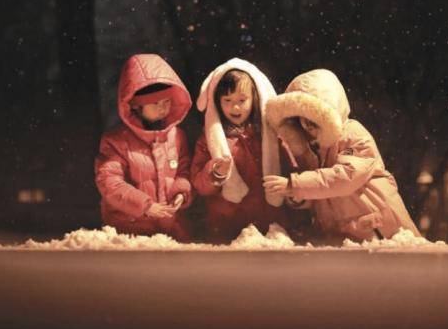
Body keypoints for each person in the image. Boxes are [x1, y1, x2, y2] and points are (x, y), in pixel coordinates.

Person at [263, 69, 420, 244]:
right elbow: (320, 191)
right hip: (344, 232)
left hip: (379, 227)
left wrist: (295, 184)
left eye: (314, 117)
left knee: (402, 268)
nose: (307, 125)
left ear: (328, 114)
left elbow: (346, 177)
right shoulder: (311, 149)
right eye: (302, 117)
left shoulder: (352, 133)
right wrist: (298, 198)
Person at [190, 58, 300, 244]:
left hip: (270, 223)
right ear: (217, 102)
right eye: (227, 100)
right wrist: (214, 173)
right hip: (228, 226)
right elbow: (199, 184)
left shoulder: (271, 136)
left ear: (255, 98)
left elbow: (290, 170)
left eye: (242, 100)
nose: (235, 107)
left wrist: (293, 191)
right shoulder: (208, 139)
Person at [94, 54, 193, 241]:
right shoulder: (116, 141)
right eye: (155, 103)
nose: (162, 108)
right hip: (130, 232)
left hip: (172, 233)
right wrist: (145, 205)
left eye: (166, 102)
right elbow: (110, 183)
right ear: (137, 106)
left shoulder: (177, 136)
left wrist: (181, 192)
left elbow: (183, 171)